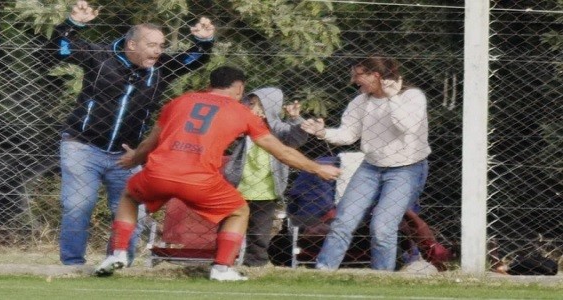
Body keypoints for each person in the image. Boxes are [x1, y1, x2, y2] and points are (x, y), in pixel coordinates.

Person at [93, 66, 341, 281]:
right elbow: (281, 152)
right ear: (240, 88)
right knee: (238, 210)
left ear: (209, 85)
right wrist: (317, 168)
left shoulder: (177, 102)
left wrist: (133, 159)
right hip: (199, 180)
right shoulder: (242, 113)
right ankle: (222, 267)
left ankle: (118, 254)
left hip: (159, 173)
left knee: (129, 196)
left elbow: (150, 143)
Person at [50, 0, 216, 266]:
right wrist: (73, 24)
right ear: (132, 45)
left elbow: (194, 59)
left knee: (132, 212)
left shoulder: (161, 69)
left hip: (128, 155)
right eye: (152, 45)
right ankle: (72, 266)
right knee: (77, 206)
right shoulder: (99, 57)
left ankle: (118, 263)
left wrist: (203, 42)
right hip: (82, 147)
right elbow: (61, 49)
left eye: (162, 46)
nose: (159, 51)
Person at [301, 56, 431, 271]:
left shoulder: (412, 97)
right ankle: (323, 272)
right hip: (370, 167)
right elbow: (348, 134)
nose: (354, 80)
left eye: (358, 75)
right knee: (343, 221)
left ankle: (381, 278)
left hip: (406, 169)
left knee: (382, 227)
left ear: (376, 75)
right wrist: (322, 133)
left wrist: (392, 98)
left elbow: (407, 127)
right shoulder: (361, 101)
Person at [223, 87, 308, 267]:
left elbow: (297, 138)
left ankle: (255, 263)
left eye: (257, 104)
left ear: (269, 108)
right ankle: (224, 260)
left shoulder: (279, 129)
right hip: (239, 187)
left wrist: (295, 119)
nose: (251, 107)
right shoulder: (245, 125)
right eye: (250, 103)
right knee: (229, 227)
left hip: (266, 190)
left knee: (259, 232)